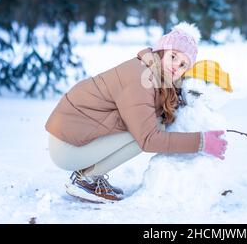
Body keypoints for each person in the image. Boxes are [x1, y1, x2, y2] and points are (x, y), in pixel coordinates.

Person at [45, 22, 228, 203]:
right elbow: (149, 140)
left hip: (75, 137)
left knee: (154, 124)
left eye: (183, 65)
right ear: (161, 51)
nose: (176, 66)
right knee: (149, 131)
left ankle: (88, 176)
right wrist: (202, 142)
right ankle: (86, 180)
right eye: (173, 56)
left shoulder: (153, 74)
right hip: (66, 147)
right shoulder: (141, 79)